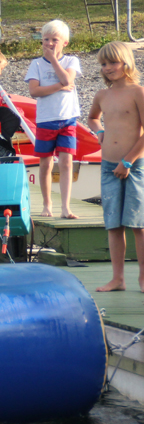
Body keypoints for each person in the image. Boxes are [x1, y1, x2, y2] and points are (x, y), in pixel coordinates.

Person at [87, 41, 144, 292]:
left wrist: (128, 161)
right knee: (113, 224)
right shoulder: (102, 95)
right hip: (109, 166)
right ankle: (118, 278)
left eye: (112, 62)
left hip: (134, 165)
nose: (107, 68)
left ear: (126, 63)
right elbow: (92, 117)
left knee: (138, 224)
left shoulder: (138, 92)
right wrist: (100, 132)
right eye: (103, 64)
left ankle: (143, 277)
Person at [25, 19, 81, 219]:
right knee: (46, 164)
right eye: (46, 39)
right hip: (46, 120)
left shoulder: (71, 61)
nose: (49, 43)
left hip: (67, 119)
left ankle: (65, 207)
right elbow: (34, 91)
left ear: (64, 43)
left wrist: (54, 61)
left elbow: (68, 79)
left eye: (54, 40)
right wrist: (59, 87)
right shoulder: (36, 64)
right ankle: (47, 204)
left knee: (66, 162)